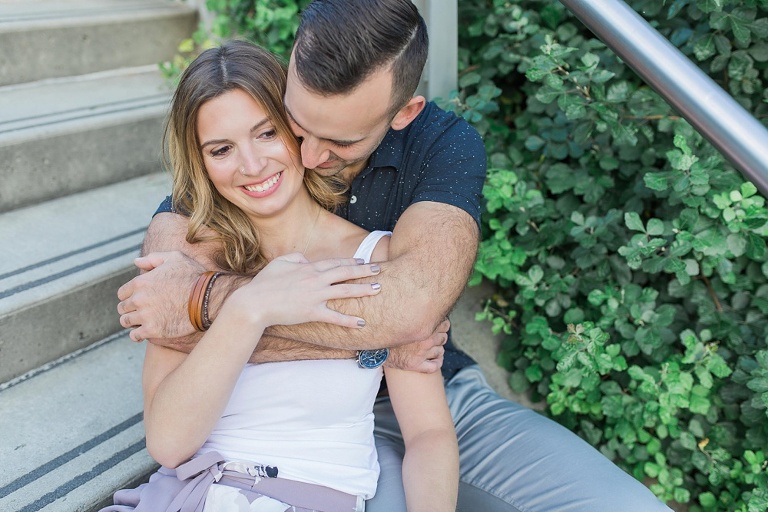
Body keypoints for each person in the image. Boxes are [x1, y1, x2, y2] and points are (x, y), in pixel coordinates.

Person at [117, 1, 673, 510]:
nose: (306, 157)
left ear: (402, 113)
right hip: (305, 445)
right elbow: (163, 299)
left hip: (425, 389)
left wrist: (207, 303)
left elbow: (410, 316)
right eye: (296, 125)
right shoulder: (242, 155)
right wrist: (258, 309)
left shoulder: (441, 146)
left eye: (337, 141)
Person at [102, 40, 458, 512]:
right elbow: (168, 444)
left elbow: (429, 435)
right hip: (186, 495)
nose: (252, 166)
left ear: (297, 128)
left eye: (267, 133)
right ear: (202, 163)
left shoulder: (379, 258)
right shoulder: (190, 264)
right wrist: (249, 308)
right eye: (222, 149)